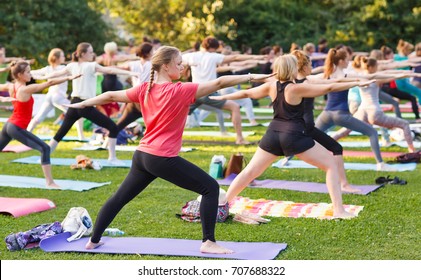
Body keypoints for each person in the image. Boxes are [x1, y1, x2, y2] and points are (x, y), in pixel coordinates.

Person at [65, 46, 272, 253]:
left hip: (143, 156)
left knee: (120, 198)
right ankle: (208, 242)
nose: (182, 67)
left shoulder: (145, 88)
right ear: (165, 66)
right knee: (210, 188)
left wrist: (81, 104)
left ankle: (93, 240)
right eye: (178, 63)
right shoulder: (179, 90)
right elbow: (219, 82)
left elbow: (110, 95)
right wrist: (253, 76)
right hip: (161, 158)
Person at [210, 54, 373, 218]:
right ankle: (339, 210)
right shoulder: (296, 88)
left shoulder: (271, 86)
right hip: (294, 135)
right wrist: (358, 83)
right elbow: (329, 87)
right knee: (331, 164)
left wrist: (221, 97)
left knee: (249, 172)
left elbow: (246, 94)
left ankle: (222, 205)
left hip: (272, 134)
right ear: (291, 69)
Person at [42, 42, 139, 165]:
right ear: (82, 54)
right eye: (90, 52)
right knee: (113, 127)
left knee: (61, 131)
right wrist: (130, 73)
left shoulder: (72, 65)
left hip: (74, 103)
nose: (92, 54)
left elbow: (56, 74)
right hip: (85, 105)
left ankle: (45, 156)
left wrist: (43, 75)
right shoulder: (91, 66)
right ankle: (112, 158)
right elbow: (109, 69)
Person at [281, 50, 359, 193]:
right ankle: (344, 185)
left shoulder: (290, 82)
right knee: (336, 149)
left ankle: (344, 184)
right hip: (307, 128)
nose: (311, 67)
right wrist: (356, 82)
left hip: (297, 128)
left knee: (274, 151)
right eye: (310, 65)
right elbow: (332, 83)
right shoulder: (308, 81)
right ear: (304, 67)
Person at [0, 61, 80, 188]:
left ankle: (50, 182)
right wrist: (69, 78)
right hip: (16, 127)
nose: (30, 73)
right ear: (20, 75)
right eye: (27, 72)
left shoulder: (11, 87)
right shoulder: (26, 89)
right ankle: (50, 182)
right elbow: (49, 83)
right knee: (45, 148)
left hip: (9, 125)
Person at [314, 48, 397, 171]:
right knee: (372, 133)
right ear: (341, 61)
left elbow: (309, 77)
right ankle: (380, 164)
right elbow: (371, 76)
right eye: (347, 59)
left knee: (309, 136)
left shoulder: (326, 74)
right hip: (341, 115)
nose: (349, 62)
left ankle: (286, 158)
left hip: (326, 114)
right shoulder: (346, 74)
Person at [182, 36, 264, 144]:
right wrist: (257, 57)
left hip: (193, 93)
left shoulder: (190, 56)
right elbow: (235, 58)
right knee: (234, 107)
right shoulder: (213, 56)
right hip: (207, 93)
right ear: (213, 48)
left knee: (177, 115)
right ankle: (240, 138)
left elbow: (175, 57)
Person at [332, 57, 418, 152]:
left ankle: (328, 142)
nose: (377, 68)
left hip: (362, 111)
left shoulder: (359, 77)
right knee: (404, 124)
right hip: (374, 112)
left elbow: (387, 74)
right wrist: (407, 74)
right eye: (376, 66)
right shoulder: (375, 79)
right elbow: (392, 76)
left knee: (345, 130)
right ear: (372, 67)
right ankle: (412, 150)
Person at [27, 48, 85, 139]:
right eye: (62, 55)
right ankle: (81, 136)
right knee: (77, 114)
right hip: (58, 97)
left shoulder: (47, 69)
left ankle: (26, 133)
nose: (64, 57)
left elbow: (32, 72)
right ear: (57, 58)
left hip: (50, 96)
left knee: (39, 117)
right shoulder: (63, 68)